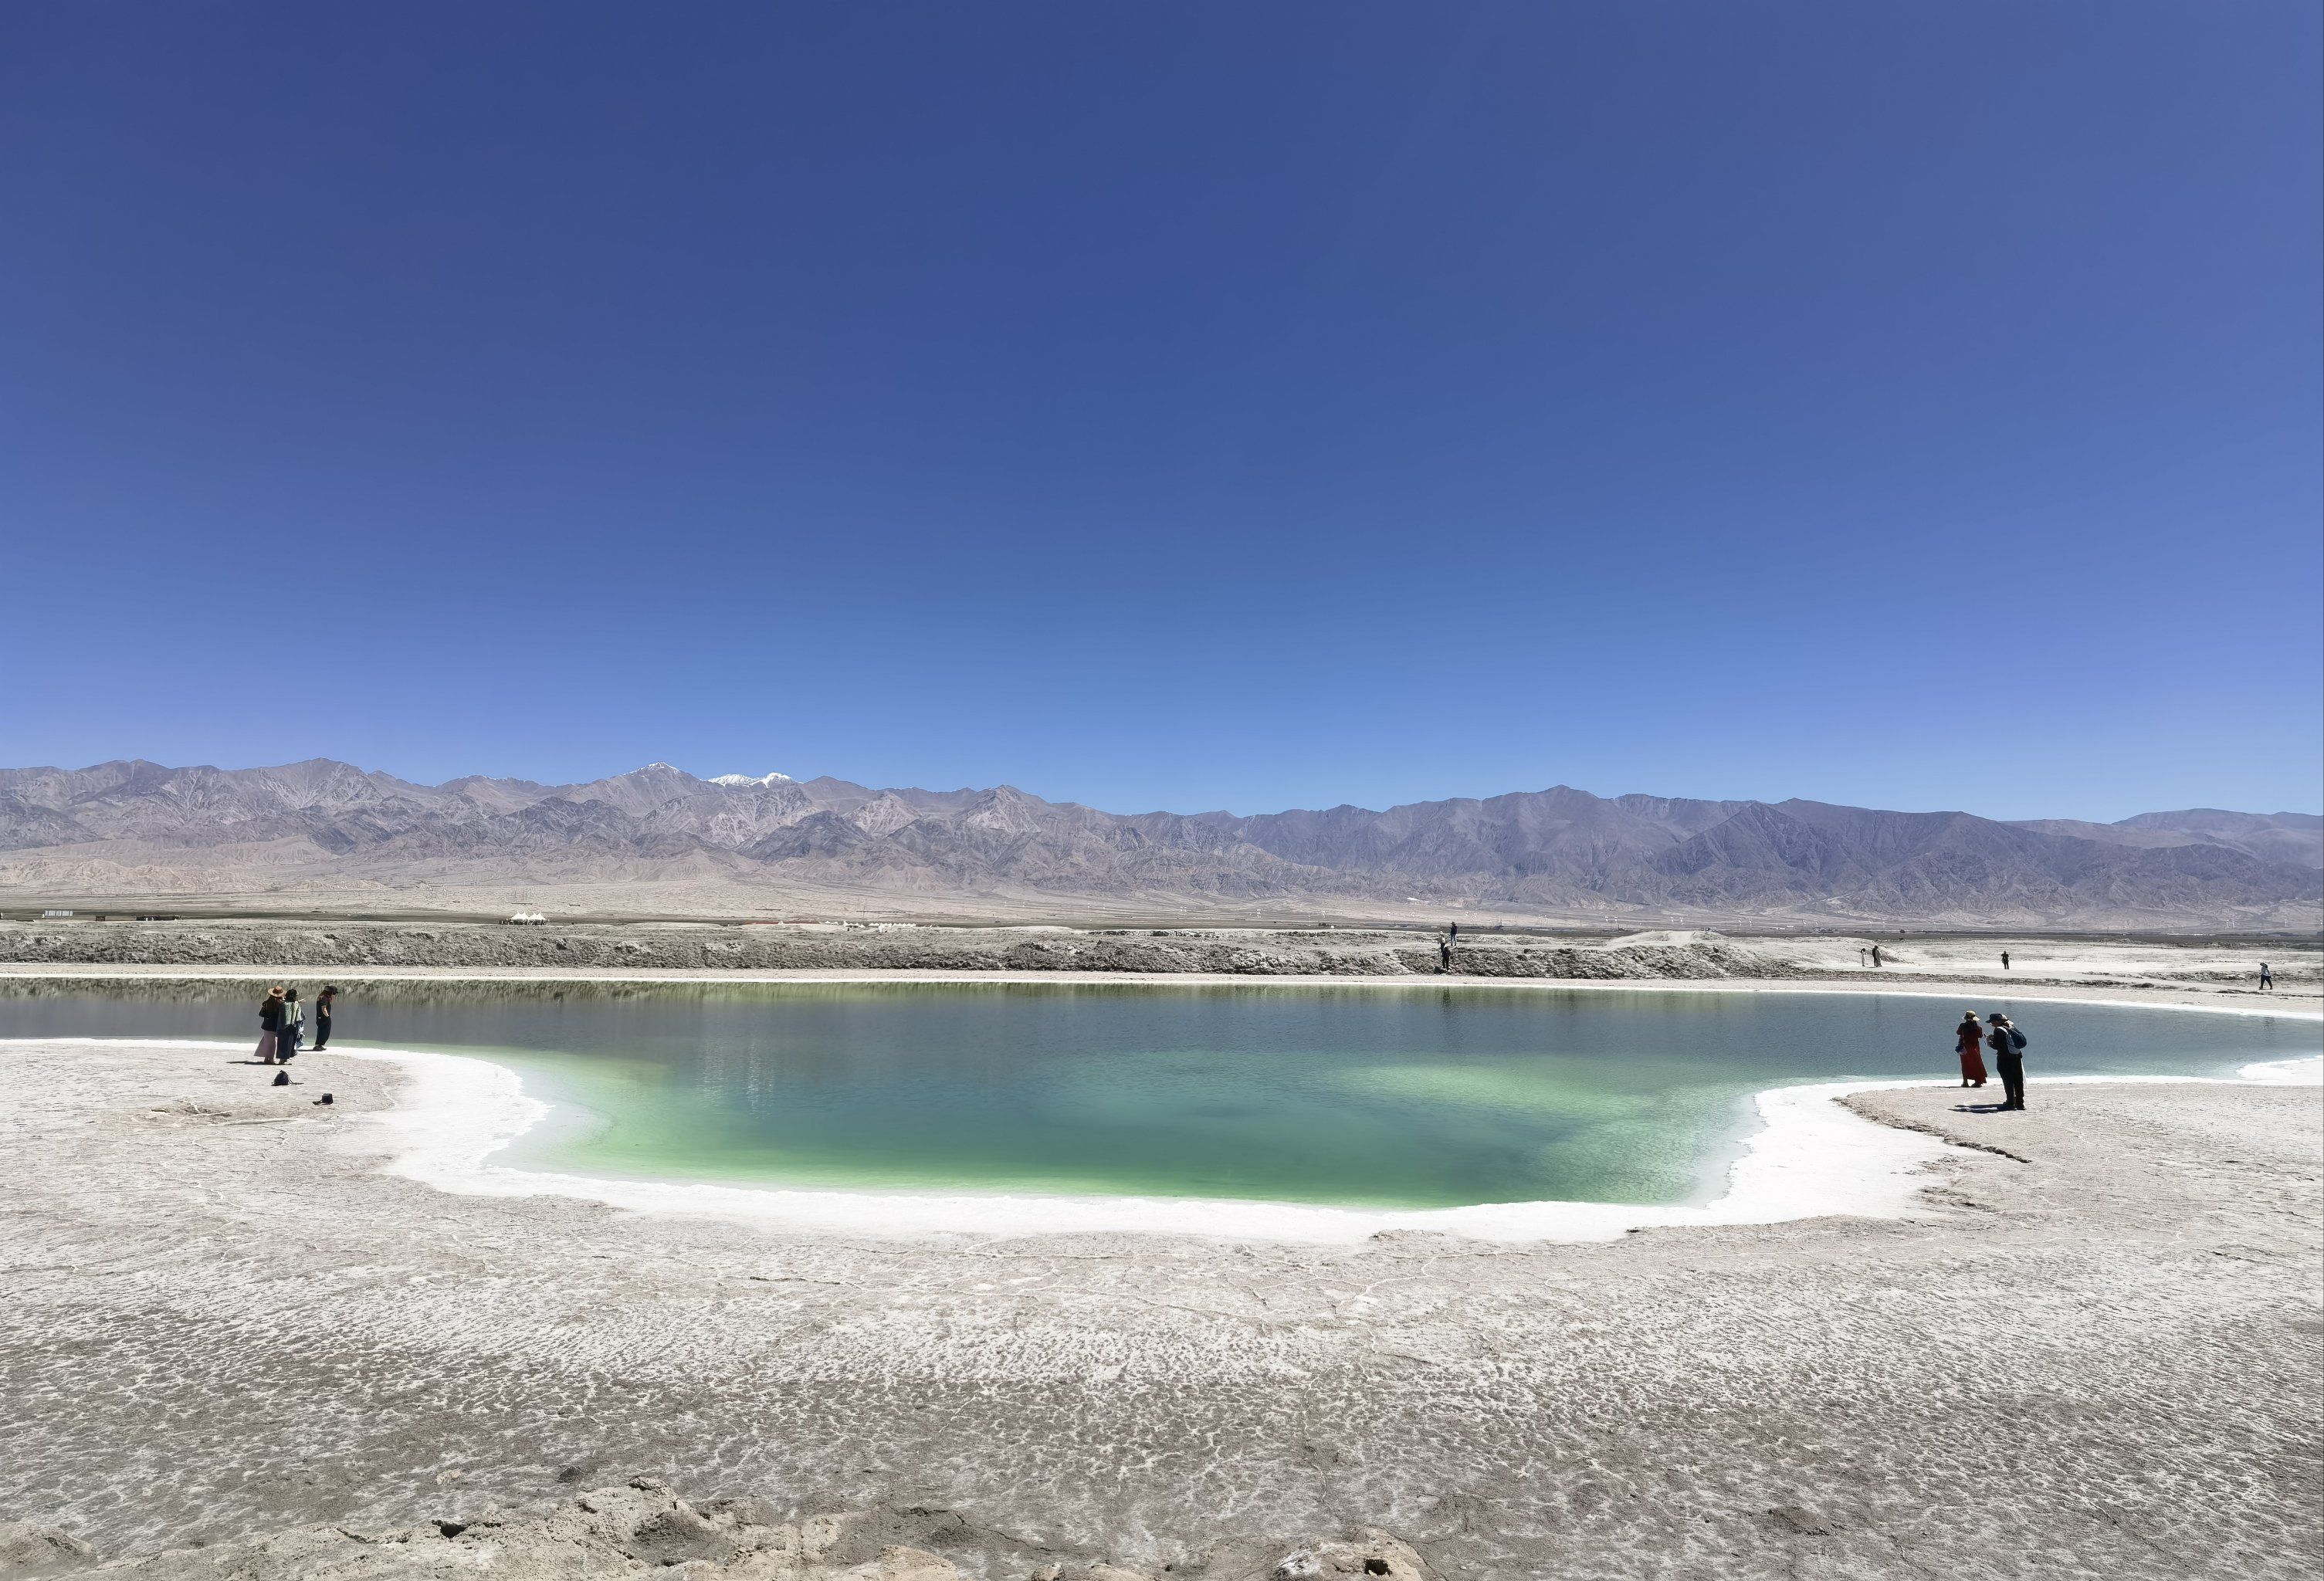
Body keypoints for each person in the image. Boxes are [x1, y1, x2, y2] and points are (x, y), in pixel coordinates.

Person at [1990, 1013, 2027, 1111]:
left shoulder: (1998, 1030)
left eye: (1992, 1022)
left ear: (1997, 1021)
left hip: (2005, 1058)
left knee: (2008, 1081)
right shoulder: (2011, 1027)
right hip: (2017, 1056)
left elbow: (1998, 1046)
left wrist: (1990, 1043)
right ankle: (2020, 1103)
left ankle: (2010, 1103)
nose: (1992, 1024)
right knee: (2018, 1080)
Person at [1954, 1013, 1988, 1088]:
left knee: (1965, 1064)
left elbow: (1958, 1032)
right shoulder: (1978, 1028)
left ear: (1966, 1019)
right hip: (1975, 1048)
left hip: (1964, 1047)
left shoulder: (1962, 1026)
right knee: (1977, 1064)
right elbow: (1980, 1036)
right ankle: (1978, 1081)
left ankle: (1965, 1082)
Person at [256, 985, 286, 1064]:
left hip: (267, 1025)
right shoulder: (282, 1004)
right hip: (277, 1025)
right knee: (274, 1043)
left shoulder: (266, 1003)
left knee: (268, 1042)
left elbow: (262, 1014)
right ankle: (271, 1059)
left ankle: (267, 1059)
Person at [279, 988, 305, 1061]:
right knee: (290, 1043)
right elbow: (300, 1017)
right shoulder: (296, 1005)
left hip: (282, 1026)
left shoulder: (283, 1004)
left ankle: (283, 1059)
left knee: (283, 1042)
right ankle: (284, 1059)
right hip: (293, 1026)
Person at [313, 986, 337, 1050]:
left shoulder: (323, 997)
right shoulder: (324, 998)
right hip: (323, 1018)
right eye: (333, 993)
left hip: (321, 1018)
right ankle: (318, 1045)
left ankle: (320, 1045)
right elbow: (323, 1009)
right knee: (323, 1032)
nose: (333, 995)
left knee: (323, 1032)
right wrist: (327, 1016)